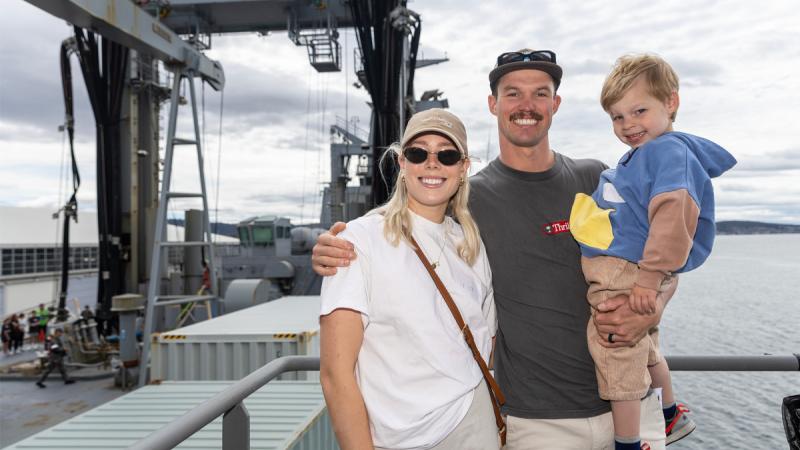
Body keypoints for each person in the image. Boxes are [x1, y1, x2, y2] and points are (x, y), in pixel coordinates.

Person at [313, 49, 676, 449]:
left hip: (627, 403)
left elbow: (665, 248)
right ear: (493, 104)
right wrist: (338, 243)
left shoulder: (596, 177)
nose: (526, 106)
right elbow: (412, 212)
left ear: (556, 104)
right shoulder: (469, 205)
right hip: (536, 423)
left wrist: (652, 310)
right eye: (512, 93)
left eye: (540, 94)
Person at [569, 54, 736, 449]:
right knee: (645, 348)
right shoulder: (652, 153)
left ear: (671, 103)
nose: (628, 125)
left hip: (628, 272)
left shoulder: (666, 152)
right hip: (635, 269)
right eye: (617, 117)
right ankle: (668, 412)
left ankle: (628, 442)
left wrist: (648, 279)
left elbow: (672, 214)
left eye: (639, 111)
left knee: (615, 350)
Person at [320, 108, 500, 450]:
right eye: (419, 153)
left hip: (473, 422)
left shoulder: (471, 247)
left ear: (463, 169)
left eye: (446, 155)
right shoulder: (359, 242)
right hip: (396, 437)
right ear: (402, 163)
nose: (432, 164)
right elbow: (335, 374)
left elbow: (486, 344)